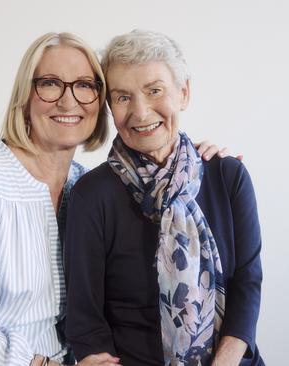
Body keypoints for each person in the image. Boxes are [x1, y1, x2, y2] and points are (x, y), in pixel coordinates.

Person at [0, 32, 227, 366]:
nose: (69, 101)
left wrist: (196, 163)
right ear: (25, 96)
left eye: (85, 85)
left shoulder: (82, 186)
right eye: (51, 83)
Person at [65, 30, 265, 365]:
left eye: (154, 90)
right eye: (123, 97)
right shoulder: (91, 196)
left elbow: (247, 282)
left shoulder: (227, 176)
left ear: (183, 93)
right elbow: (85, 319)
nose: (141, 113)